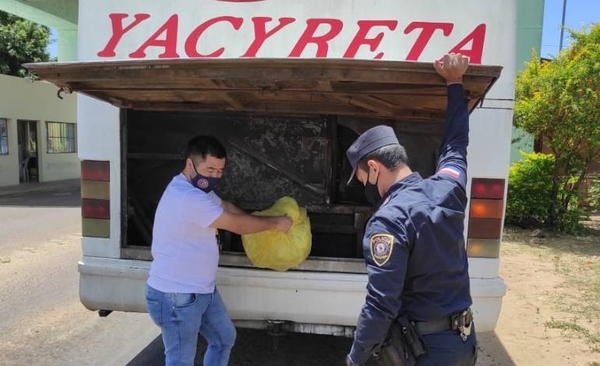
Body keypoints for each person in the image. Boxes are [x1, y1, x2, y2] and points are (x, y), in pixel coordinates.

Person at [344, 53, 478, 366]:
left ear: (374, 167)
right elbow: (455, 145)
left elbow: (381, 304)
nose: (365, 185)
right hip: (463, 342)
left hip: (426, 350)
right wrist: (455, 82)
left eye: (363, 177)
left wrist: (355, 358)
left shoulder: (389, 221)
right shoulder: (448, 186)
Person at [145, 135, 292, 366]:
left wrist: (260, 217)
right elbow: (235, 225)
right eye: (210, 169)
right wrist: (274, 223)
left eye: (220, 171)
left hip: (202, 291)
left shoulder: (199, 192)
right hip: (177, 296)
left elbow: (226, 207)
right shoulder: (187, 197)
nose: (215, 176)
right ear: (189, 164)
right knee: (180, 361)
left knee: (224, 338)